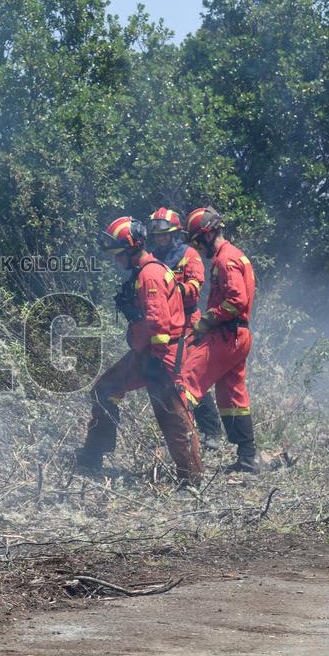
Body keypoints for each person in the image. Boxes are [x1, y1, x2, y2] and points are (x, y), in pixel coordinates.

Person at [77, 216, 203, 483]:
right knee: (104, 389)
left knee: (172, 414)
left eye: (119, 253)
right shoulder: (145, 271)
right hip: (145, 353)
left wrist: (157, 359)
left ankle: (191, 479)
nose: (116, 259)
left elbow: (159, 321)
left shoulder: (150, 274)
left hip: (160, 355)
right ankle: (93, 455)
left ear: (132, 248)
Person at [180, 206, 258, 473]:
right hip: (238, 335)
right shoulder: (236, 255)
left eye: (197, 242)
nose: (198, 249)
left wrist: (207, 320)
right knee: (232, 395)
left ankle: (185, 459)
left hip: (227, 335)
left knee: (186, 383)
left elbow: (237, 300)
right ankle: (248, 457)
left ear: (208, 234)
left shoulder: (225, 260)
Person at [146, 207, 224, 451]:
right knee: (165, 379)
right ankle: (178, 429)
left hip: (187, 325)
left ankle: (211, 432)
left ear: (174, 234)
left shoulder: (189, 255)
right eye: (157, 236)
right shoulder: (151, 258)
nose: (160, 239)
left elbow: (195, 288)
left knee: (190, 378)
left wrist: (170, 290)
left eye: (164, 235)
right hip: (163, 325)